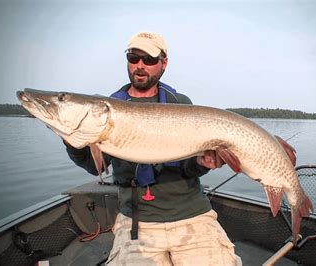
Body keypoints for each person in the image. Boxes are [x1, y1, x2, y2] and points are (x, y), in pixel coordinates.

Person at [64, 31, 297, 266]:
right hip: (137, 221)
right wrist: (69, 138)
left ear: (163, 63)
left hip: (192, 214)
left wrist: (203, 163)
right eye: (134, 58)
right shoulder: (109, 108)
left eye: (149, 60)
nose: (140, 65)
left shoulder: (180, 103)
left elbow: (190, 165)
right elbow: (95, 167)